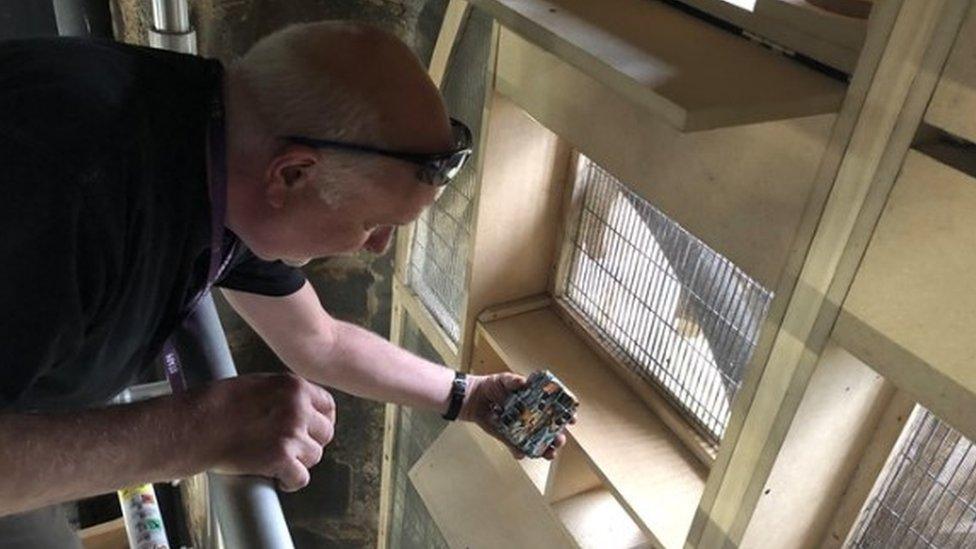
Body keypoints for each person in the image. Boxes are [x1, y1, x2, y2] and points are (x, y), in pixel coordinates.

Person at [0, 21, 569, 545]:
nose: (374, 250)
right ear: (293, 174)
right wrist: (202, 433)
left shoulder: (218, 142)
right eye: (374, 224)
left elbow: (320, 341)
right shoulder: (65, 194)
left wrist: (465, 395)